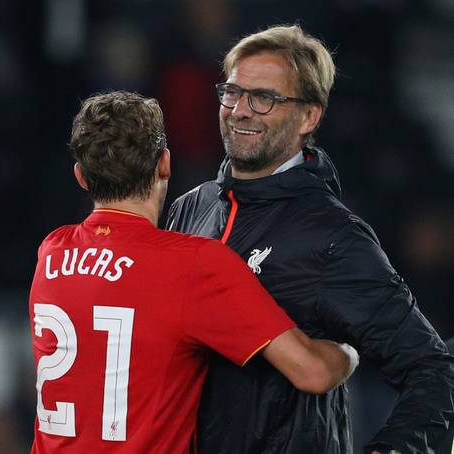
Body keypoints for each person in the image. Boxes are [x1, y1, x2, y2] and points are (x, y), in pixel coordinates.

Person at [166, 24, 454, 454]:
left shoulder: (332, 236)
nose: (240, 110)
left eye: (264, 98)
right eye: (232, 92)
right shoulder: (191, 207)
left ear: (309, 117)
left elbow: (433, 370)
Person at [27, 91, 358, 453]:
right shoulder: (193, 264)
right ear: (165, 164)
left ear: (81, 176)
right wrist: (351, 348)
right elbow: (313, 372)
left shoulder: (51, 254)